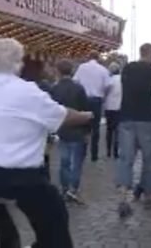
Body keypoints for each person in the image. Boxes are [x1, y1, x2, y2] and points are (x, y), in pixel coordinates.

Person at [0, 38, 93, 248]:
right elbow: (62, 116)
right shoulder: (26, 91)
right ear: (19, 63)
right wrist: (87, 115)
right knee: (53, 212)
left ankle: (7, 241)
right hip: (14, 178)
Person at [116, 43, 151, 218]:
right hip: (145, 118)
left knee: (126, 158)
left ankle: (123, 198)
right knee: (149, 158)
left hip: (125, 118)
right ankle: (149, 195)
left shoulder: (127, 68)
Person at [50, 59, 92, 204]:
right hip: (78, 129)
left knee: (64, 161)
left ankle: (64, 188)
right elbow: (86, 110)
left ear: (58, 71)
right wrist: (88, 131)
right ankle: (73, 189)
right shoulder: (79, 88)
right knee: (76, 163)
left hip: (62, 129)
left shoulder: (54, 89)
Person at [72, 52, 110, 162]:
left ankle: (82, 152)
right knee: (95, 128)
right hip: (97, 100)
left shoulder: (82, 67)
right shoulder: (103, 70)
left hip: (84, 99)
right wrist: (103, 95)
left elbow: (75, 81)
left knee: (83, 126)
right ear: (98, 58)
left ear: (88, 57)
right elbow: (108, 85)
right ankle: (94, 154)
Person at [104, 62, 122, 159]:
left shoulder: (109, 80)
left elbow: (105, 92)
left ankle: (108, 151)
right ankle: (116, 152)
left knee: (109, 130)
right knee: (117, 131)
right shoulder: (123, 80)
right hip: (119, 107)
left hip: (109, 107)